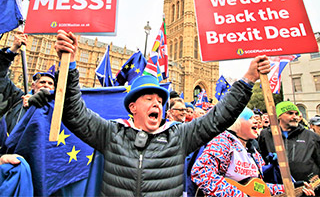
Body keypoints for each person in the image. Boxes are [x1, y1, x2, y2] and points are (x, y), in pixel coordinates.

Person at [54, 29, 271, 196]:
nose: (157, 104)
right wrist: (70, 63)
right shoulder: (112, 133)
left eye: (160, 100)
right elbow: (74, 113)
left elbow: (218, 118)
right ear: (132, 107)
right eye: (148, 99)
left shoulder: (178, 137)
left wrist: (248, 79)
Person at [191, 107, 315, 197]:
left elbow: (259, 188)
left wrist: (292, 188)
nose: (256, 120)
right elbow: (200, 172)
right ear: (237, 122)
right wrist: (239, 195)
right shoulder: (223, 142)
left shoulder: (253, 153)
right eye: (250, 118)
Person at [0, 30, 55, 136]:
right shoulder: (17, 99)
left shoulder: (57, 109)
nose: (46, 85)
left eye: (50, 83)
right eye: (42, 82)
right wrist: (13, 50)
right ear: (33, 85)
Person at [258, 101, 320, 184]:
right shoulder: (266, 135)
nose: (295, 117)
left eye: (296, 114)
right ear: (279, 116)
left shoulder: (311, 136)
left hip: (308, 188)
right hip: (278, 187)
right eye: (290, 113)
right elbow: (261, 159)